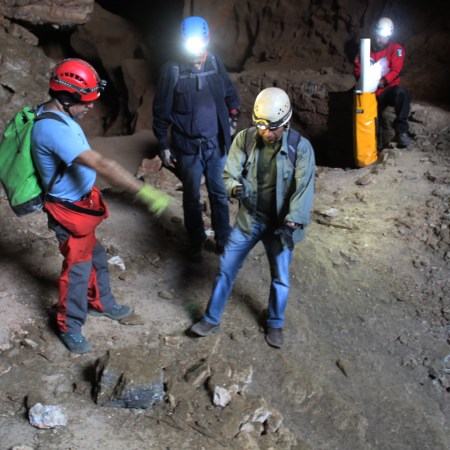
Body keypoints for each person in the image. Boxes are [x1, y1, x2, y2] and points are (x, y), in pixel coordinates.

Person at [31, 58, 170, 354]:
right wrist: (142, 191)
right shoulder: (53, 130)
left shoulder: (57, 113)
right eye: (86, 100)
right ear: (66, 97)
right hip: (68, 211)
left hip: (79, 204)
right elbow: (102, 164)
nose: (91, 106)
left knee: (96, 257)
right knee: (78, 270)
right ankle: (69, 325)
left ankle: (101, 302)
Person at [190, 87, 315, 348]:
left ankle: (275, 322)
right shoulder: (245, 139)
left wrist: (291, 224)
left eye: (273, 129)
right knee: (225, 268)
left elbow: (303, 190)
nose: (267, 133)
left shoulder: (300, 149)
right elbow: (228, 174)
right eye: (261, 127)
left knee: (281, 277)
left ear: (285, 122)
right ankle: (211, 319)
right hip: (251, 218)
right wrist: (235, 188)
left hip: (280, 225)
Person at [152, 16, 241, 263]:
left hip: (216, 144)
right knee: (191, 196)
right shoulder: (172, 70)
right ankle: (196, 240)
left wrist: (233, 117)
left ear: (207, 41)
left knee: (219, 193)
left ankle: (223, 238)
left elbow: (229, 92)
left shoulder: (213, 61)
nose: (195, 52)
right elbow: (160, 111)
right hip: (188, 147)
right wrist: (163, 144)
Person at [354, 17, 411, 149]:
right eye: (380, 36)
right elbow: (357, 68)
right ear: (375, 32)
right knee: (370, 116)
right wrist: (365, 81)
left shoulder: (396, 49)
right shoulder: (365, 48)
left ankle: (401, 131)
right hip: (369, 91)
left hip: (387, 89)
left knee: (402, 95)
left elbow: (396, 70)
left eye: (385, 37)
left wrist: (382, 81)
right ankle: (374, 146)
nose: (381, 39)